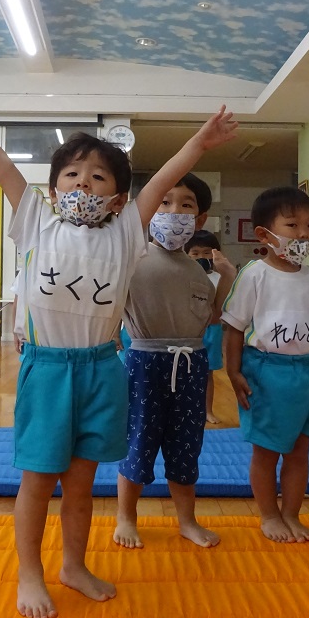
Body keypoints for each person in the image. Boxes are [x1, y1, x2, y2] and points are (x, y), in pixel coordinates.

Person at [0, 77, 237, 618]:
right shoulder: (37, 223)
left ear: (117, 198)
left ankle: (74, 565)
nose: (83, 183)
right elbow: (4, 169)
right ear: (53, 190)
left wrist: (199, 142)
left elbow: (161, 181)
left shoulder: (126, 233)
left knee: (79, 484)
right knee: (37, 480)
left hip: (102, 368)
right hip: (48, 369)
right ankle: (30, 573)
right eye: (71, 174)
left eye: (97, 177)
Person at [113, 175, 236, 550]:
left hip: (191, 364)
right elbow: (110, 300)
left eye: (186, 205)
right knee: (139, 441)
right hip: (144, 361)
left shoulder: (197, 270)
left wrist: (227, 277)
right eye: (164, 202)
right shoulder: (132, 258)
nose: (174, 211)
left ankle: (187, 521)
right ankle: (126, 517)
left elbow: (211, 317)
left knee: (186, 446)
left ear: (200, 219)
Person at [222, 186, 309, 543]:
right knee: (267, 450)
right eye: (292, 225)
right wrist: (233, 372)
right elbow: (234, 328)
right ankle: (269, 515)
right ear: (264, 234)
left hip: (306, 373)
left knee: (300, 450)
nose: (303, 234)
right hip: (266, 372)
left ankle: (291, 514)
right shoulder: (255, 274)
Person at [185, 230, 226, 424]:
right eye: (195, 253)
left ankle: (207, 410)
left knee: (207, 373)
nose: (201, 257)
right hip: (189, 331)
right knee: (185, 371)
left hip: (212, 331)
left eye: (207, 252)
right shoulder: (182, 276)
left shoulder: (220, 278)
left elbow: (222, 307)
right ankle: (186, 409)